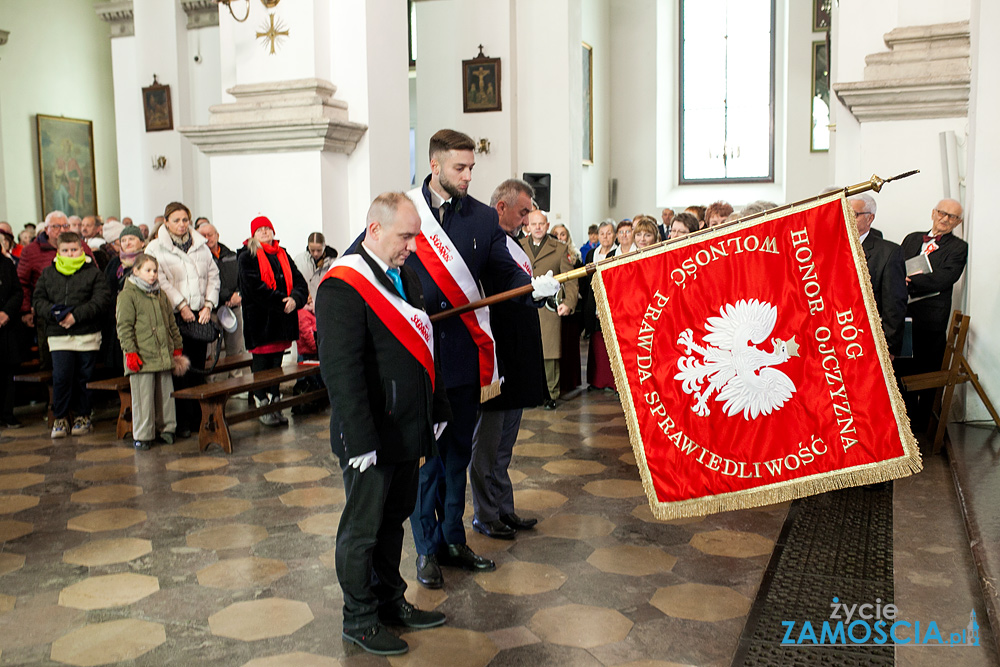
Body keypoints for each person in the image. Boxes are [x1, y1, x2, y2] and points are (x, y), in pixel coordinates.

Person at [399, 129, 558, 590]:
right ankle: (426, 550)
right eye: (459, 168)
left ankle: (453, 539)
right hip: (420, 359)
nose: (468, 176)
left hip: (466, 361)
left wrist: (536, 289)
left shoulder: (484, 219)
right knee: (427, 464)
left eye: (471, 168)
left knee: (455, 459)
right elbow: (365, 264)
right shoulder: (403, 211)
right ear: (434, 165)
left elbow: (506, 273)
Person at [317, 192, 450, 656]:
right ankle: (359, 617)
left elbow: (423, 352)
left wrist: (438, 409)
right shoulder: (342, 285)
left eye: (415, 236)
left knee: (393, 522)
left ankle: (391, 602)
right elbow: (341, 370)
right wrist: (358, 439)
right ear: (374, 230)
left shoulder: (404, 275)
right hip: (369, 437)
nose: (413, 246)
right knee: (362, 531)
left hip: (405, 428)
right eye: (405, 236)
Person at [471, 179, 547, 540]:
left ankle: (504, 507)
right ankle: (485, 514)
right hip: (494, 359)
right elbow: (506, 285)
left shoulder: (511, 244)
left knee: (506, 442)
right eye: (522, 212)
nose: (525, 219)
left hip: (516, 356)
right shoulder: (484, 242)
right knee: (487, 444)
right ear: (501, 207)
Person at [145, 202, 220, 437]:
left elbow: (212, 275)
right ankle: (182, 421)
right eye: (176, 220)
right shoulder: (156, 247)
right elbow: (161, 280)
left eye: (185, 220)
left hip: (200, 314)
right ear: (166, 222)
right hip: (175, 316)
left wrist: (208, 305)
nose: (181, 225)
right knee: (179, 369)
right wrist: (181, 305)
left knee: (197, 367)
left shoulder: (200, 244)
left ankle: (199, 418)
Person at [32, 232, 112, 438]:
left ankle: (83, 416)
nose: (70, 254)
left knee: (84, 377)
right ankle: (60, 418)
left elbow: (101, 300)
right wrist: (55, 314)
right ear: (58, 251)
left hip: (86, 333)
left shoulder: (93, 273)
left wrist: (76, 316)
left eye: (74, 250)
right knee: (61, 376)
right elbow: (38, 300)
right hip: (59, 334)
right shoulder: (48, 273)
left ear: (81, 249)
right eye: (65, 251)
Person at [899, 198, 968, 429]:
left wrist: (909, 281)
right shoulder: (911, 238)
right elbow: (895, 266)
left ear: (957, 223)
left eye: (952, 217)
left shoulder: (959, 248)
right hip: (901, 316)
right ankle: (904, 426)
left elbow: (945, 278)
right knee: (901, 370)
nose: (946, 219)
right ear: (933, 213)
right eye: (942, 213)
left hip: (930, 322)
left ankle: (922, 429)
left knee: (926, 372)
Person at [237, 216, 308, 426]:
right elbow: (253, 288)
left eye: (268, 228)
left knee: (277, 363)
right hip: (261, 322)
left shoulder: (282, 253)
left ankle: (275, 400)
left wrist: (295, 299)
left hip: (282, 322)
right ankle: (262, 402)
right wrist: (281, 302)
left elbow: (299, 281)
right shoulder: (246, 256)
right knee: (262, 366)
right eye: (260, 229)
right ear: (253, 234)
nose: (265, 232)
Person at [116, 253, 185, 451]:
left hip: (162, 352)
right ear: (136, 271)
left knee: (165, 394)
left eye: (155, 270)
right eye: (148, 270)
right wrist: (130, 352)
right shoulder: (128, 295)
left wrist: (176, 345)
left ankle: (166, 429)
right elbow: (124, 326)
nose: (152, 274)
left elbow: (170, 322)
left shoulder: (160, 294)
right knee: (143, 397)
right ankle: (143, 434)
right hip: (142, 354)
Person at [17, 211, 94, 370]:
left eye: (65, 226)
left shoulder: (82, 246)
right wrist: (25, 310)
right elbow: (22, 283)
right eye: (56, 226)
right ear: (46, 229)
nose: (61, 230)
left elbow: (94, 274)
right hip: (48, 316)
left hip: (80, 315)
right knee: (52, 367)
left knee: (82, 370)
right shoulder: (31, 251)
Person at [522, 210, 579, 410]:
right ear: (527, 226)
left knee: (549, 354)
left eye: (541, 223)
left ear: (547, 226)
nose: (537, 227)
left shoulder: (560, 248)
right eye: (533, 223)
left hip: (549, 308)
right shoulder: (517, 247)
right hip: (525, 307)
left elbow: (570, 278)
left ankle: (551, 394)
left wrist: (569, 303)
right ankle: (529, 392)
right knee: (526, 351)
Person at [848, 194, 907, 357]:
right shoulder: (831, 246)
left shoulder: (888, 252)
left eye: (854, 214)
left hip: (867, 339)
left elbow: (894, 304)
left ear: (870, 218)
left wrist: (889, 347)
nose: (847, 217)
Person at [196, 221, 246, 367]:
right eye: (203, 236)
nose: (207, 238)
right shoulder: (199, 258)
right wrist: (227, 296)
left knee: (236, 349)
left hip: (234, 308)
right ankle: (214, 383)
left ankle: (237, 382)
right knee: (211, 352)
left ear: (217, 235)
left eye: (210, 235)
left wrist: (239, 294)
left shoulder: (231, 255)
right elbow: (206, 283)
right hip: (212, 310)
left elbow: (241, 278)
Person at [549, 223, 584, 395]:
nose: (560, 237)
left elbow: (575, 283)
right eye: (556, 234)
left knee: (568, 345)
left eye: (563, 234)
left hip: (568, 304)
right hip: (551, 306)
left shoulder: (574, 256)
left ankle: (569, 381)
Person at [582, 221, 617, 390]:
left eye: (609, 233)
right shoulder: (591, 254)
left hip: (612, 304)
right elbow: (586, 282)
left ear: (615, 235)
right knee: (596, 344)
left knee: (612, 344)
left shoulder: (618, 253)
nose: (605, 237)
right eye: (602, 233)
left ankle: (612, 381)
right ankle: (596, 381)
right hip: (593, 303)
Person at [0, 251, 23, 428]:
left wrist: (6, 312)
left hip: (6, 328)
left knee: (8, 373)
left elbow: (17, 291)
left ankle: (8, 414)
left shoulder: (6, 264)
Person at [293, 232, 339, 303]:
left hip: (325, 304)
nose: (315, 254)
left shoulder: (334, 264)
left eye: (319, 250)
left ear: (324, 246)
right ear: (308, 247)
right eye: (312, 250)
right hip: (306, 305)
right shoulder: (299, 261)